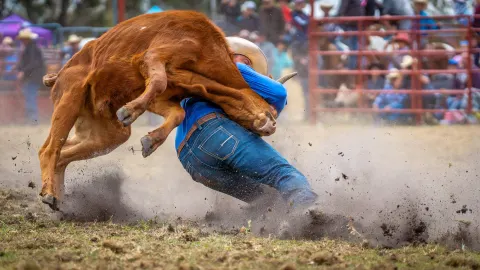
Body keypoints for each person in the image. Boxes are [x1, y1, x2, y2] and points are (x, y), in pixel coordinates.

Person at [176, 37, 318, 210]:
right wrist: (271, 110)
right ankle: (309, 214)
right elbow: (278, 93)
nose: (249, 69)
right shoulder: (232, 67)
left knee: (265, 198)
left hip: (190, 160)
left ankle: (286, 224)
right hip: (215, 131)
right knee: (284, 175)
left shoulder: (195, 76)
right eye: (248, 64)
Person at [16, 28, 46, 125]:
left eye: (23, 39)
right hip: (32, 77)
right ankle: (32, 119)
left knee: (30, 97)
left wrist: (23, 72)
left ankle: (33, 120)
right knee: (29, 96)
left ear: (27, 39)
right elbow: (28, 62)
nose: (22, 41)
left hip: (33, 77)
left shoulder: (32, 48)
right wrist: (19, 68)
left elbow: (33, 63)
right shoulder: (30, 48)